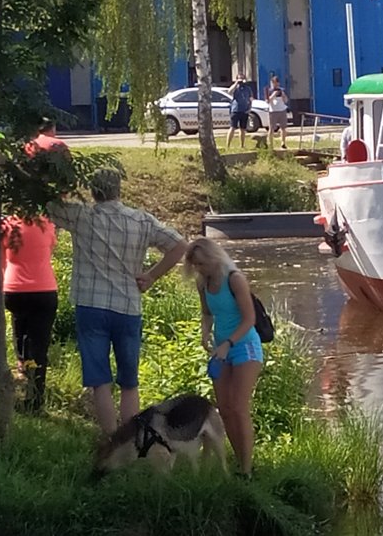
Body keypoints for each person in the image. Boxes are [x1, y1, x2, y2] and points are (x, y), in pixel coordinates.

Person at [45, 168, 188, 435]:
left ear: (92, 191)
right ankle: (131, 441)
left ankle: (111, 439)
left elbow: (46, 203)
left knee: (99, 380)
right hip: (128, 307)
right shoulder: (142, 221)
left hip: (91, 305)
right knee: (129, 381)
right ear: (119, 190)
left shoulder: (81, 216)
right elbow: (179, 246)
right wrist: (152, 276)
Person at [184, 238, 263, 477]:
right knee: (225, 409)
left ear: (213, 258)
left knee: (239, 407)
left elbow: (250, 319)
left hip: (244, 346)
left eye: (202, 263)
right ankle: (238, 460)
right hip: (221, 349)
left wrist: (229, 343)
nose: (199, 269)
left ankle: (247, 470)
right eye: (195, 265)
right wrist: (205, 332)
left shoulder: (235, 279)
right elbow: (207, 312)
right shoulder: (203, 283)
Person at [2, 215, 58, 412]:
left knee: (20, 333)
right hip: (44, 289)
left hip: (14, 289)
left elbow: (2, 258)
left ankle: (22, 369)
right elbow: (50, 248)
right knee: (40, 345)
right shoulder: (47, 223)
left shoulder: (7, 224)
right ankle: (36, 398)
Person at [226, 74, 253, 150]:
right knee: (233, 127)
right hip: (236, 110)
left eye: (242, 78)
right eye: (239, 78)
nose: (241, 80)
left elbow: (251, 99)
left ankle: (242, 145)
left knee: (243, 129)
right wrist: (236, 83)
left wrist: (249, 108)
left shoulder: (248, 88)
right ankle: (228, 145)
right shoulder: (235, 88)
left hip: (244, 110)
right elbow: (229, 92)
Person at [266, 74, 289, 150]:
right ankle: (270, 144)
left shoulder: (281, 90)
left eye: (276, 83)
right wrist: (273, 95)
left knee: (283, 128)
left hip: (282, 110)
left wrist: (283, 96)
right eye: (273, 83)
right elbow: (267, 101)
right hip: (273, 111)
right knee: (271, 128)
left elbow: (286, 101)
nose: (275, 84)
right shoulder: (269, 91)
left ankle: (283, 143)